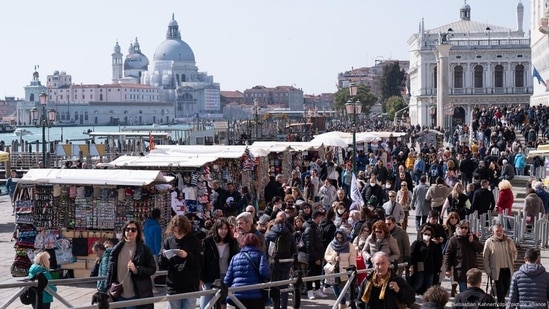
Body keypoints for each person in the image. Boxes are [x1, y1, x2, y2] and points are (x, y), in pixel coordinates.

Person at [106, 220, 156, 308]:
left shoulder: (144, 250)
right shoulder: (116, 249)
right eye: (128, 229)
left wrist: (136, 269)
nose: (130, 232)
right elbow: (110, 271)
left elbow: (152, 269)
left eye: (133, 230)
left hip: (136, 294)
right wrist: (106, 289)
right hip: (118, 294)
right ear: (124, 231)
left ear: (138, 232)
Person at [158, 215, 202, 309]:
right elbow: (161, 264)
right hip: (173, 287)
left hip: (190, 286)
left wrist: (187, 256)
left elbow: (199, 263)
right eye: (175, 232)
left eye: (181, 232)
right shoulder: (168, 241)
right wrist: (164, 256)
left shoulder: (195, 241)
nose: (178, 235)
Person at [224, 233, 271, 309]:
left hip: (237, 295)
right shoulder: (260, 255)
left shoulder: (235, 257)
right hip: (256, 295)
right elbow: (265, 273)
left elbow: (228, 279)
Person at [200, 218, 239, 309]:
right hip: (210, 277)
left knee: (223, 304)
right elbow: (202, 261)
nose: (223, 231)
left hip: (226, 276)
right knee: (205, 304)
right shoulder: (207, 242)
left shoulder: (232, 242)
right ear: (216, 229)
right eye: (221, 228)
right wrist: (200, 278)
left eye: (226, 228)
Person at [265, 211, 297, 309]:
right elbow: (294, 250)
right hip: (286, 262)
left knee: (275, 286)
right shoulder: (290, 235)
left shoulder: (269, 235)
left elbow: (267, 250)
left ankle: (276, 306)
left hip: (273, 263)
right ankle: (284, 307)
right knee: (284, 287)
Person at [482, 222, 517, 305]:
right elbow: (485, 257)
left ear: (503, 230)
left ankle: (500, 301)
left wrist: (512, 259)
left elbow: (515, 252)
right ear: (493, 231)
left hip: (507, 269)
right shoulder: (489, 242)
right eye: (497, 231)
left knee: (507, 287)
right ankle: (502, 305)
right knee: (500, 290)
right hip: (497, 270)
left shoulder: (509, 240)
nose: (499, 232)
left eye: (500, 230)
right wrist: (487, 269)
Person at [444, 219, 483, 293]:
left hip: (472, 270)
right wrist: (447, 269)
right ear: (458, 228)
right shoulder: (453, 239)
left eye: (466, 228)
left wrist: (472, 242)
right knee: (464, 291)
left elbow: (480, 249)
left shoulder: (472, 237)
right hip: (460, 271)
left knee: (473, 291)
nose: (464, 230)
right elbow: (448, 254)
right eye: (462, 228)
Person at [324, 229, 357, 309]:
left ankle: (341, 304)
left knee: (342, 289)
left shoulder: (350, 246)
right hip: (333, 270)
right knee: (335, 288)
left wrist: (352, 268)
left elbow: (352, 259)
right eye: (337, 237)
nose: (339, 239)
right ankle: (342, 303)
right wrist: (334, 258)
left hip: (344, 270)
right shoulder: (331, 244)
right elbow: (326, 256)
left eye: (341, 238)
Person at [409, 226, 442, 295]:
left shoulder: (433, 245)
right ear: (422, 234)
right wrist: (411, 265)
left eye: (429, 234)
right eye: (425, 234)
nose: (427, 236)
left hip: (430, 268)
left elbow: (437, 257)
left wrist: (438, 268)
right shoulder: (417, 243)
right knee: (418, 283)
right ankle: (409, 295)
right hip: (420, 267)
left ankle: (428, 300)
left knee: (429, 286)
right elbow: (412, 255)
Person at [302, 209, 328, 300]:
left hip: (318, 255)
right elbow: (310, 245)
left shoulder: (317, 227)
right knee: (311, 273)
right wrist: (316, 258)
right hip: (312, 257)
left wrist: (321, 256)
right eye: (320, 217)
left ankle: (317, 289)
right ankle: (309, 291)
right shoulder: (309, 228)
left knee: (317, 273)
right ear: (317, 217)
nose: (321, 219)